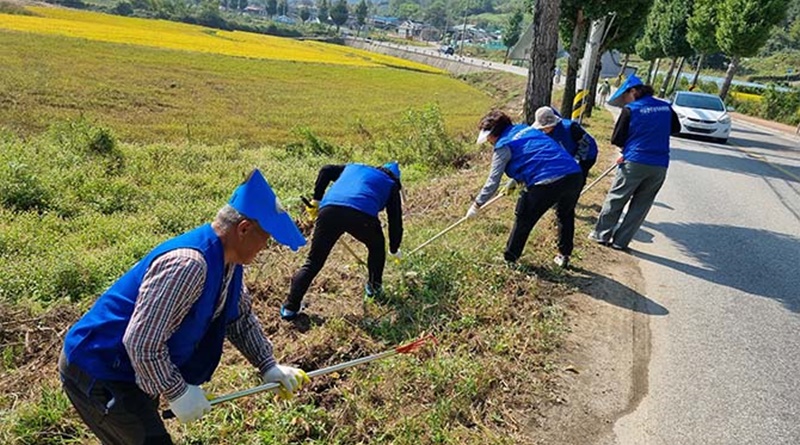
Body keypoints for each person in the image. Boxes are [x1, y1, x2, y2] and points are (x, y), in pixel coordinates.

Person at [59, 169, 310, 444]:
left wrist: (268, 365)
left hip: (133, 367)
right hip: (100, 366)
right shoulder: (189, 266)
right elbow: (141, 342)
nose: (266, 246)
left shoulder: (230, 262)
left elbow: (239, 319)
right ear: (244, 229)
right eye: (267, 237)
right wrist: (176, 391)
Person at [280, 162, 403, 320]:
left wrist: (316, 200)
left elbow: (325, 170)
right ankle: (374, 289)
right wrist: (394, 248)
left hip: (329, 212)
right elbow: (395, 221)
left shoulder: (354, 168)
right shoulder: (390, 184)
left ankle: (290, 307)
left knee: (313, 262)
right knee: (377, 247)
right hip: (362, 215)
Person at [467, 110, 583, 268]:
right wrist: (516, 180)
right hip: (574, 175)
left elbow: (493, 182)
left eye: (488, 137)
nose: (488, 141)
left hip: (547, 180)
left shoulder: (502, 145)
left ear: (495, 133)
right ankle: (564, 255)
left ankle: (510, 259)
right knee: (565, 214)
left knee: (523, 217)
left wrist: (477, 205)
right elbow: (536, 155)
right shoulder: (526, 129)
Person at [589, 75, 681, 251]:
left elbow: (616, 138)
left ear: (634, 91)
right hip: (660, 165)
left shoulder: (631, 109)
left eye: (625, 96)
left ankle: (601, 235)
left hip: (635, 161)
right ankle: (620, 242)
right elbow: (676, 129)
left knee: (616, 199)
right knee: (641, 206)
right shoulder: (665, 107)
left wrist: (630, 145)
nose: (624, 101)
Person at [532, 106, 598, 186]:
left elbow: (586, 145)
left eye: (545, 127)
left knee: (576, 181)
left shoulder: (571, 128)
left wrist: (576, 160)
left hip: (586, 157)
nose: (543, 130)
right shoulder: (546, 133)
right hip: (569, 155)